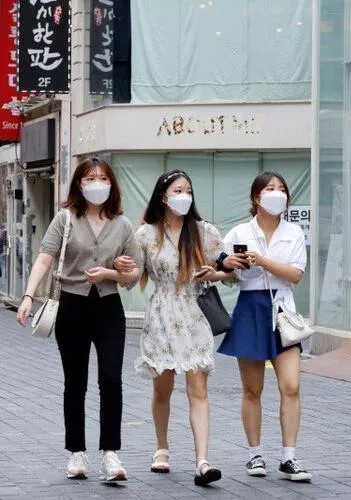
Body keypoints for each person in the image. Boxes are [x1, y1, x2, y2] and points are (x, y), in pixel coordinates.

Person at [16, 157, 142, 482]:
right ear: (79, 184)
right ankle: (76, 453)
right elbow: (45, 257)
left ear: (111, 184)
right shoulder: (65, 219)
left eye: (102, 178)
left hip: (109, 308)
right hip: (72, 307)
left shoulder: (123, 225)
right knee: (76, 383)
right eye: (89, 179)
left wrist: (113, 271)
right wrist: (29, 295)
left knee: (111, 380)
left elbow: (134, 275)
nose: (96, 184)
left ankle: (111, 454)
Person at [114, 170, 227, 486]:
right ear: (163, 196)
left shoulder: (205, 232)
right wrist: (117, 270)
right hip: (161, 314)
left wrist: (215, 273)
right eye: (179, 190)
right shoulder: (146, 235)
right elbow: (134, 277)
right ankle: (161, 447)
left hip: (194, 314)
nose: (185, 195)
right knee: (162, 388)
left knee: (198, 389)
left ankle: (202, 461)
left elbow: (230, 269)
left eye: (189, 190)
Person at [217, 172, 311, 482]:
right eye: (270, 189)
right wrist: (227, 265)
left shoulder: (294, 232)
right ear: (256, 197)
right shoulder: (240, 231)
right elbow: (226, 268)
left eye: (282, 189)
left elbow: (295, 274)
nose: (277, 194)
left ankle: (289, 457)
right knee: (252, 389)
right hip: (250, 309)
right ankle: (254, 454)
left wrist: (262, 261)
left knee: (291, 386)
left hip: (283, 312)